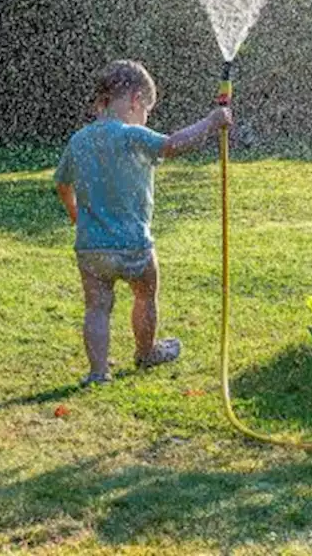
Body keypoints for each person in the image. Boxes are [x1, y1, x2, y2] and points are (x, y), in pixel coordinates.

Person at [55, 60, 233, 387]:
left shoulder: (78, 141)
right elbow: (171, 145)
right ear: (136, 100)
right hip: (134, 244)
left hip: (91, 248)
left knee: (97, 307)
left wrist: (75, 215)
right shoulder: (132, 135)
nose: (146, 116)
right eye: (147, 109)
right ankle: (146, 351)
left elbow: (62, 184)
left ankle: (97, 373)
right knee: (145, 294)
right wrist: (211, 122)